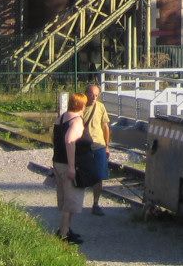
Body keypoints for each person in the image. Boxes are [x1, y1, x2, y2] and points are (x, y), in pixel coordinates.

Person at [52, 93, 89, 244]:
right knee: (71, 201)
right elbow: (69, 140)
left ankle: (66, 229)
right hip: (68, 166)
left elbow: (55, 140)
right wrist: (72, 167)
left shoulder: (60, 118)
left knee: (65, 200)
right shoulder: (77, 121)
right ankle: (64, 235)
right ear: (83, 105)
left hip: (58, 163)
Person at [82, 83, 111, 216]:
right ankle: (76, 202)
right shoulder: (80, 107)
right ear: (85, 94)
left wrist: (107, 145)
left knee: (99, 176)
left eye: (96, 95)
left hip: (98, 145)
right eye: (91, 94)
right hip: (83, 145)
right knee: (80, 174)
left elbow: (105, 127)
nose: (94, 97)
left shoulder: (100, 107)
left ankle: (96, 203)